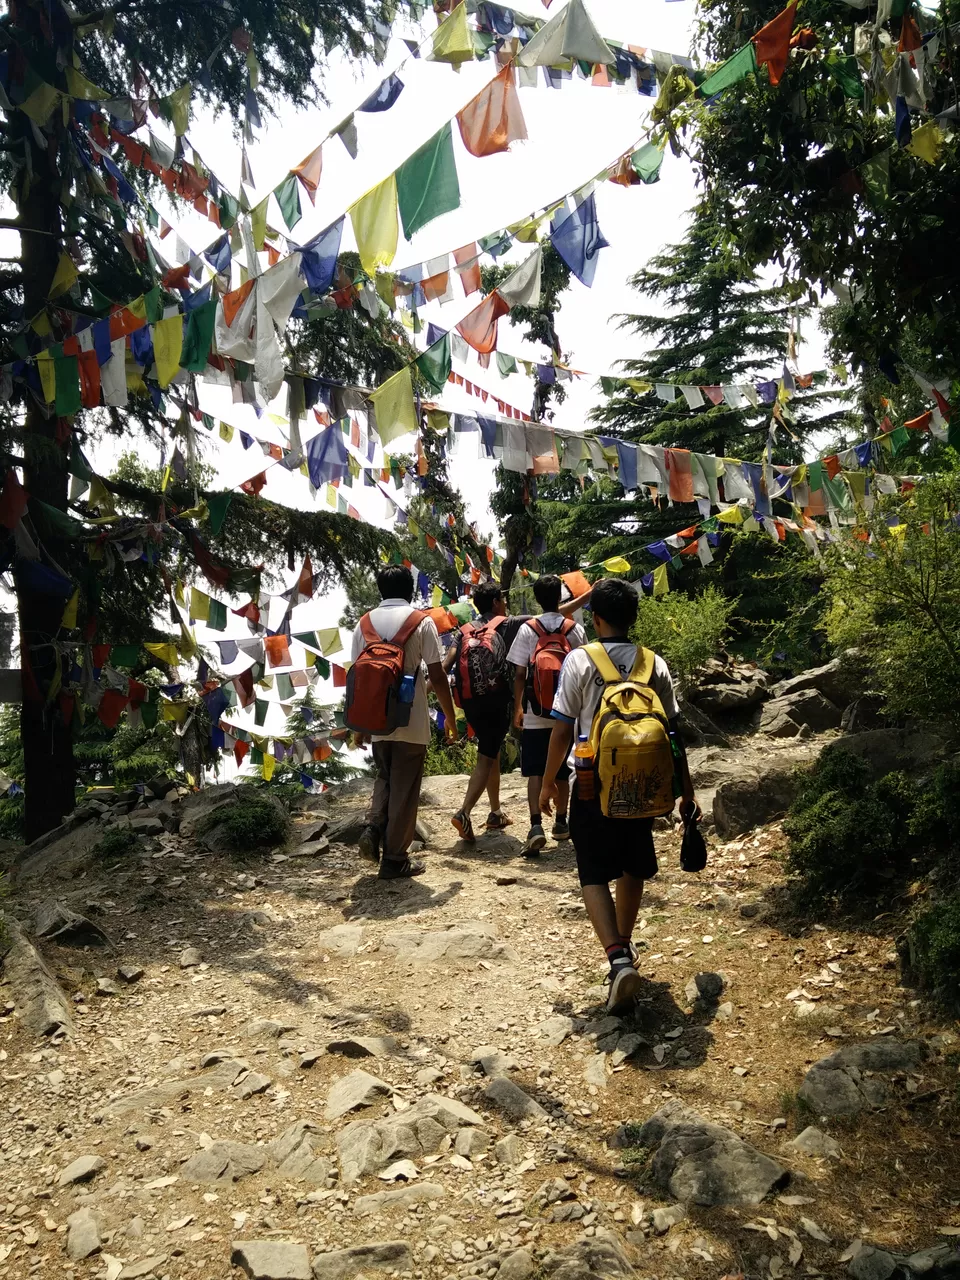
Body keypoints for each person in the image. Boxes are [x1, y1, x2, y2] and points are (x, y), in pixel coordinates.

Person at [538, 577, 699, 1013]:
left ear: (595, 618)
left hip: (591, 784)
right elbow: (673, 734)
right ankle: (624, 945)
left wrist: (549, 783)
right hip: (644, 785)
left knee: (592, 873)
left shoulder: (579, 659)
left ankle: (617, 958)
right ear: (634, 616)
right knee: (633, 864)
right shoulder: (654, 663)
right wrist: (686, 791)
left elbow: (561, 730)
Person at [351, 564, 459, 880]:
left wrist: (359, 726)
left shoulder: (363, 623)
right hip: (412, 720)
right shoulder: (421, 622)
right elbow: (437, 674)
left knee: (384, 777)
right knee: (405, 789)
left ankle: (373, 825)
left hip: (376, 720)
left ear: (380, 590)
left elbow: (357, 677)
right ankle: (395, 860)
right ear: (410, 590)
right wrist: (450, 717)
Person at [443, 582, 533, 841]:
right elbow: (552, 614)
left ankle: (495, 812)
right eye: (502, 599)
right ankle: (464, 812)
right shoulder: (509, 624)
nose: (504, 603)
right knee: (486, 756)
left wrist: (422, 693)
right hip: (497, 700)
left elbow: (446, 665)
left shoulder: (464, 631)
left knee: (489, 749)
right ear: (495, 602)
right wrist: (588, 594)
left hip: (471, 702)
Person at [507, 574, 587, 856]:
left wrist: (518, 707)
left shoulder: (528, 629)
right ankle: (561, 822)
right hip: (566, 712)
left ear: (537, 599)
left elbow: (519, 674)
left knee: (535, 771)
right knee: (562, 769)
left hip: (535, 711)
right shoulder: (574, 629)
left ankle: (535, 826)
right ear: (560, 598)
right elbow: (583, 670)